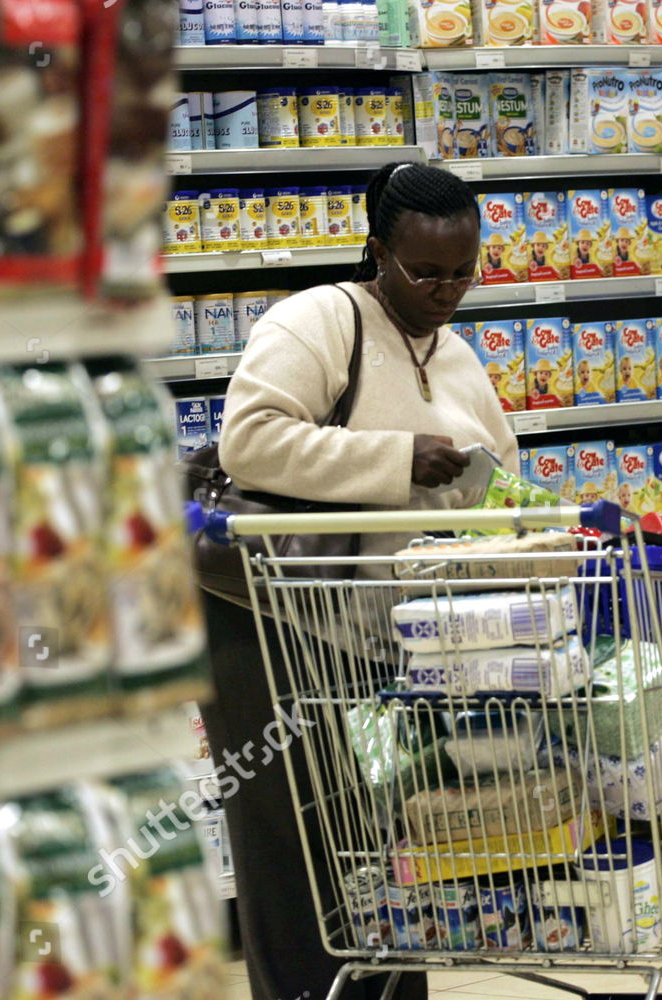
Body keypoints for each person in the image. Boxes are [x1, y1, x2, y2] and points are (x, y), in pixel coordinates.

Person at [203, 161, 519, 1000]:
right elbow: (252, 441)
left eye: (463, 271)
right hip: (270, 619)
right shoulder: (317, 319)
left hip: (382, 632)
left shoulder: (456, 357)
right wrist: (398, 458)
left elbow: (502, 478)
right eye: (425, 272)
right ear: (377, 252)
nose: (447, 290)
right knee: (293, 837)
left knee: (378, 833)